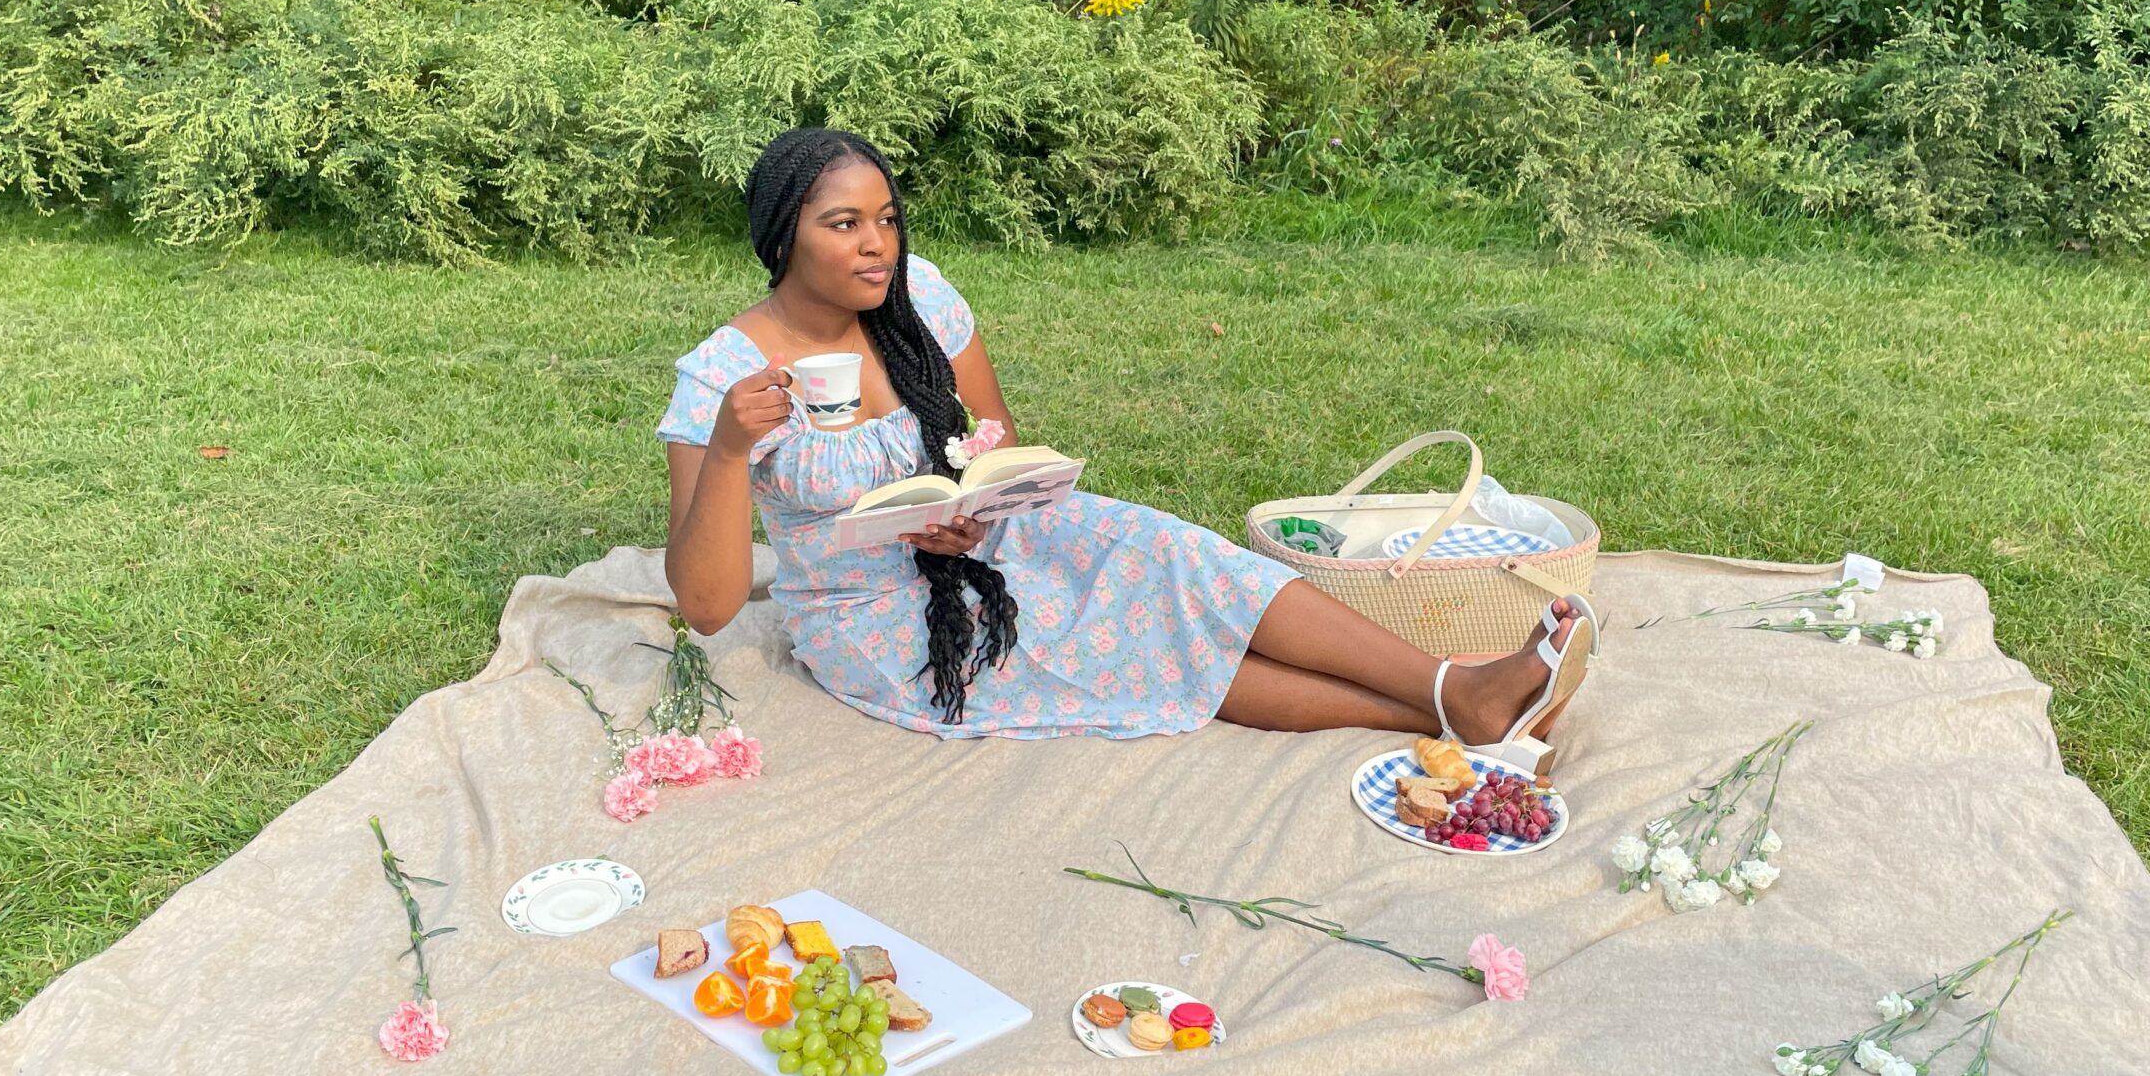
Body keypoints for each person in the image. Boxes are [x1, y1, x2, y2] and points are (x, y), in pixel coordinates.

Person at [660, 127, 1595, 741]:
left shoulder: (922, 302)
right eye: (845, 224)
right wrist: (735, 446)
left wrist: (975, 515)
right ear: (784, 235)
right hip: (879, 613)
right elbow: (707, 605)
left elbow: (997, 443)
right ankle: (1450, 707)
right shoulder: (719, 376)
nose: (878, 245)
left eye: (887, 219)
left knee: (1178, 559)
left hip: (988, 543)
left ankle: (1454, 685)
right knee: (1130, 641)